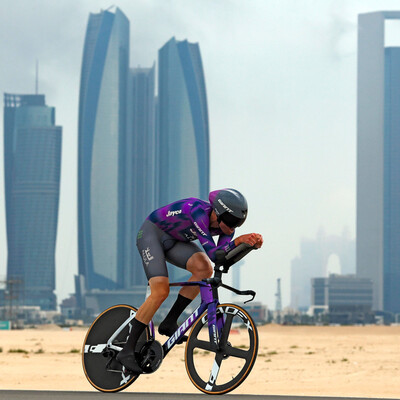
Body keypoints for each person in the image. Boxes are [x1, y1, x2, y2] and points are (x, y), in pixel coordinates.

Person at [116, 188, 263, 373]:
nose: (233, 229)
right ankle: (127, 350)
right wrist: (239, 240)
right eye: (231, 223)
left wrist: (248, 246)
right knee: (160, 291)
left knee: (204, 269)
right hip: (151, 233)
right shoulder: (197, 212)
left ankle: (170, 322)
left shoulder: (227, 227)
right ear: (217, 214)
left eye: (238, 225)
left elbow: (221, 258)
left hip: (175, 240)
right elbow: (213, 252)